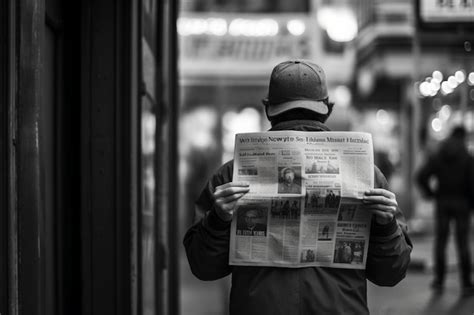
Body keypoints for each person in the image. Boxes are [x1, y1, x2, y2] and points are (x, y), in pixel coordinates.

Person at [183, 59, 412, 314]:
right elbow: (391, 273)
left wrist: (218, 220)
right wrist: (386, 226)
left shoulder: (231, 173)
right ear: (328, 109)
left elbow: (203, 267)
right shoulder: (366, 174)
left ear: (268, 108)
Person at [416, 125, 474, 295]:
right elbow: (472, 184)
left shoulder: (439, 156)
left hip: (443, 202)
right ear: (463, 137)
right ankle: (466, 284)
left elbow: (421, 176)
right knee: (462, 242)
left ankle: (439, 281)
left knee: (441, 241)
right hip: (462, 203)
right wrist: (471, 204)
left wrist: (431, 194)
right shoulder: (467, 157)